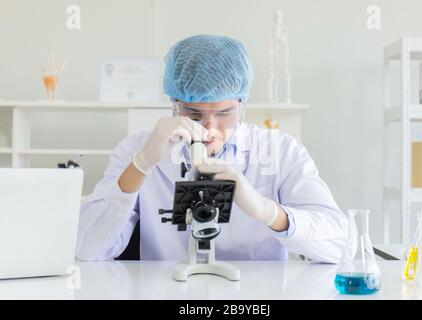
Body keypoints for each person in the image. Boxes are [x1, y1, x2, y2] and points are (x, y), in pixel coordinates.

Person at [76, 34, 349, 263]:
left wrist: (267, 212)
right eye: (193, 113)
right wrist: (142, 164)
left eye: (224, 112)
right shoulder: (137, 149)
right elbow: (88, 249)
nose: (208, 127)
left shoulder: (280, 151)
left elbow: (340, 245)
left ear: (242, 105)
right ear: (174, 103)